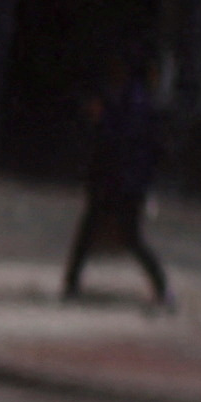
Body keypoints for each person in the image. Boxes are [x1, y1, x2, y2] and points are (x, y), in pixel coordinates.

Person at [62, 67, 176, 310]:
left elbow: (115, 140)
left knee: (116, 234)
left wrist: (101, 120)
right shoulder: (134, 102)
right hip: (124, 181)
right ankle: (72, 282)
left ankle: (162, 287)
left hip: (119, 181)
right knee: (104, 233)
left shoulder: (128, 103)